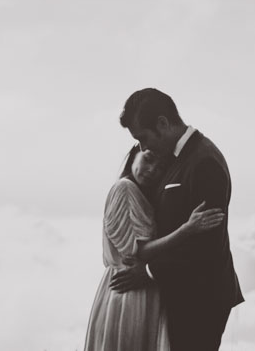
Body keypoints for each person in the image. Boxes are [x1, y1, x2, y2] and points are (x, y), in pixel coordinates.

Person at [111, 88, 244, 351]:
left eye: (143, 138)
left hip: (201, 298)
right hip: (181, 291)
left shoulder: (204, 161)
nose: (142, 147)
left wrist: (148, 272)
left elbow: (206, 245)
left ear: (163, 123)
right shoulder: (172, 157)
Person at [83, 145, 226, 351]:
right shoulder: (124, 189)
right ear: (133, 156)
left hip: (139, 286)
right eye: (148, 160)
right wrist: (187, 229)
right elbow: (138, 252)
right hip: (129, 289)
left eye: (161, 168)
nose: (152, 170)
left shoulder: (141, 194)